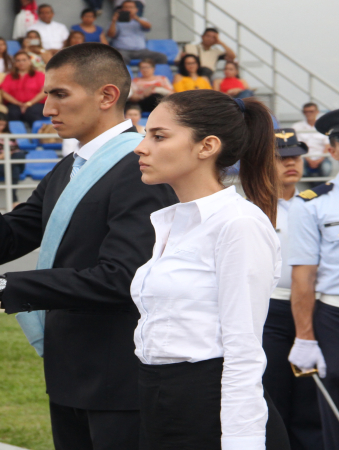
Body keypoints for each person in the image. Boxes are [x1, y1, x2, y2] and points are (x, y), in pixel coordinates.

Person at [0, 43, 178, 450]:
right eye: (47, 95)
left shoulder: (139, 169)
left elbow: (121, 279)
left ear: (107, 96)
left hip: (119, 379)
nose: (46, 109)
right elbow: (3, 244)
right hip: (69, 374)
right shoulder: (68, 167)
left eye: (60, 94)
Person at [131, 89, 290, 449]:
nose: (141, 148)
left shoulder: (238, 224)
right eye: (145, 135)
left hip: (211, 410)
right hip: (160, 404)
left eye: (158, 136)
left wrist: (242, 440)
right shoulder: (171, 222)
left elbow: (244, 348)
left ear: (207, 147)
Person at [262, 128, 324, 450]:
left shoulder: (314, 205)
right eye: (282, 158)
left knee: (309, 400)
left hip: (311, 310)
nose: (291, 164)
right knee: (271, 395)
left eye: (296, 157)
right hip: (268, 311)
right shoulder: (253, 208)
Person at [288, 109, 339, 450]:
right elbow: (303, 277)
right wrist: (305, 337)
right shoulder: (312, 204)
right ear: (333, 149)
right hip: (334, 316)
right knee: (335, 411)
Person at [107, 0, 167, 65]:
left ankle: (155, 75)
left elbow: (148, 26)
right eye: (126, 7)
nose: (128, 9)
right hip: (123, 50)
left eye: (131, 7)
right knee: (120, 58)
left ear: (136, 10)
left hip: (141, 51)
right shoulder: (116, 22)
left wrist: (136, 18)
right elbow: (111, 35)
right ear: (121, 9)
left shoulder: (141, 20)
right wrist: (114, 21)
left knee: (161, 57)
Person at [0, 51, 46, 125]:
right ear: (15, 63)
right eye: (18, 60)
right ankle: (16, 135)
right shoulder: (9, 76)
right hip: (15, 104)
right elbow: (4, 93)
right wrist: (18, 104)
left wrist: (29, 104)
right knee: (12, 113)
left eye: (24, 60)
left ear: (30, 61)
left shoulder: (39, 75)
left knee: (32, 113)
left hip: (36, 103)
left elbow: (44, 91)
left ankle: (36, 135)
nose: (21, 62)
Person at [293, 103, 332, 178]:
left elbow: (327, 145)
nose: (308, 114)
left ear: (317, 112)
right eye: (306, 112)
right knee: (300, 169)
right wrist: (308, 159)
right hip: (303, 157)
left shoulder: (324, 126)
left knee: (326, 169)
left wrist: (320, 159)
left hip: (321, 156)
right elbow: (297, 145)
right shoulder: (296, 126)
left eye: (311, 111)